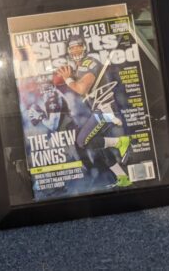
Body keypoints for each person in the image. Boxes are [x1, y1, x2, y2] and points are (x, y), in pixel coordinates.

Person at [56, 34, 132, 188]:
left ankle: (120, 142)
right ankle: (123, 177)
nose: (75, 50)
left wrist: (68, 79)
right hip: (101, 109)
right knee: (98, 147)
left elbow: (82, 89)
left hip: (105, 110)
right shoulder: (80, 66)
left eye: (78, 46)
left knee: (82, 141)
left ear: (84, 47)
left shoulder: (88, 63)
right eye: (72, 48)